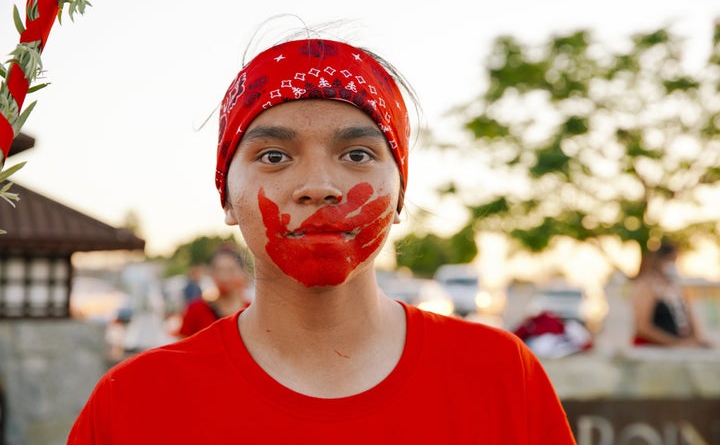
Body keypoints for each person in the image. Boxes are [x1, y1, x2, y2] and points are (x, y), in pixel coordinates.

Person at [68, 28, 576, 443]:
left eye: (357, 155)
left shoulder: (502, 376)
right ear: (226, 195)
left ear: (400, 194)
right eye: (274, 156)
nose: (319, 187)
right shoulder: (134, 404)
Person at [631, 241, 710, 347]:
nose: (674, 264)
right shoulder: (646, 286)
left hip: (678, 349)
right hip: (653, 349)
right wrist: (676, 344)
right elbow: (643, 327)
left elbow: (691, 321)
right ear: (659, 260)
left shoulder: (677, 288)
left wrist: (696, 341)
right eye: (671, 260)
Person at [177, 245, 251, 337]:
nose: (224, 277)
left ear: (243, 273)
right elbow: (183, 345)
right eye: (219, 270)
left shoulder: (253, 312)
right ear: (212, 274)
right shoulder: (196, 310)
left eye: (231, 270)